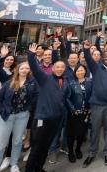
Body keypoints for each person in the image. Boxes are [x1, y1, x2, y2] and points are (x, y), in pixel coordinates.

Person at [25, 43, 70, 172]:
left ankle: (39, 168)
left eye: (62, 67)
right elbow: (34, 66)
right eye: (58, 67)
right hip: (42, 118)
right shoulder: (45, 78)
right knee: (36, 147)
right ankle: (28, 170)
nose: (60, 69)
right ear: (53, 68)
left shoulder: (65, 81)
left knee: (45, 146)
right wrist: (31, 54)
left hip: (56, 119)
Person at [0, 62, 38, 172]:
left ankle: (14, 164)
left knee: (17, 142)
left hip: (22, 115)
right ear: (17, 69)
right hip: (7, 116)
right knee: (0, 145)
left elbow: (35, 95)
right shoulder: (9, 82)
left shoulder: (32, 82)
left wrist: (28, 108)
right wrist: (3, 111)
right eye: (22, 68)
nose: (24, 70)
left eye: (27, 68)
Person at [82, 40, 107, 168]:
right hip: (97, 105)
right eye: (104, 56)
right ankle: (92, 152)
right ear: (101, 58)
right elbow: (88, 58)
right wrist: (86, 49)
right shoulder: (95, 67)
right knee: (95, 129)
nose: (106, 58)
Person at [65, 64, 92, 163]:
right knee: (71, 134)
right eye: (78, 71)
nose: (80, 72)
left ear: (85, 71)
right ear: (75, 72)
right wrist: (72, 109)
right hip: (74, 112)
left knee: (82, 132)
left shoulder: (90, 81)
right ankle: (71, 152)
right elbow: (67, 98)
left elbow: (93, 95)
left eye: (82, 70)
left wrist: (90, 107)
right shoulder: (71, 83)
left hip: (85, 112)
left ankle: (78, 149)